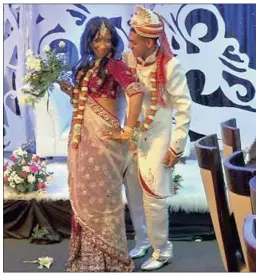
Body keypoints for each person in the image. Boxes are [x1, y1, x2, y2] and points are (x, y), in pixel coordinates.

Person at [58, 16, 144, 272]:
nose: (103, 45)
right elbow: (85, 101)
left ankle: (111, 258)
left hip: (104, 140)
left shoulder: (116, 66)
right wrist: (70, 91)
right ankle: (87, 258)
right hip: (83, 137)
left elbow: (136, 92)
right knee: (85, 194)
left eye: (107, 39)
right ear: (89, 40)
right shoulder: (85, 66)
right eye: (97, 39)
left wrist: (128, 130)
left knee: (104, 198)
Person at [122, 7, 192, 271]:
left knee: (153, 195)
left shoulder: (171, 67)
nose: (130, 46)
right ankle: (142, 241)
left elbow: (184, 108)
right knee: (133, 190)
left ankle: (162, 250)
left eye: (134, 42)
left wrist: (177, 146)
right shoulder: (130, 60)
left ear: (149, 42)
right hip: (133, 136)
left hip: (159, 138)